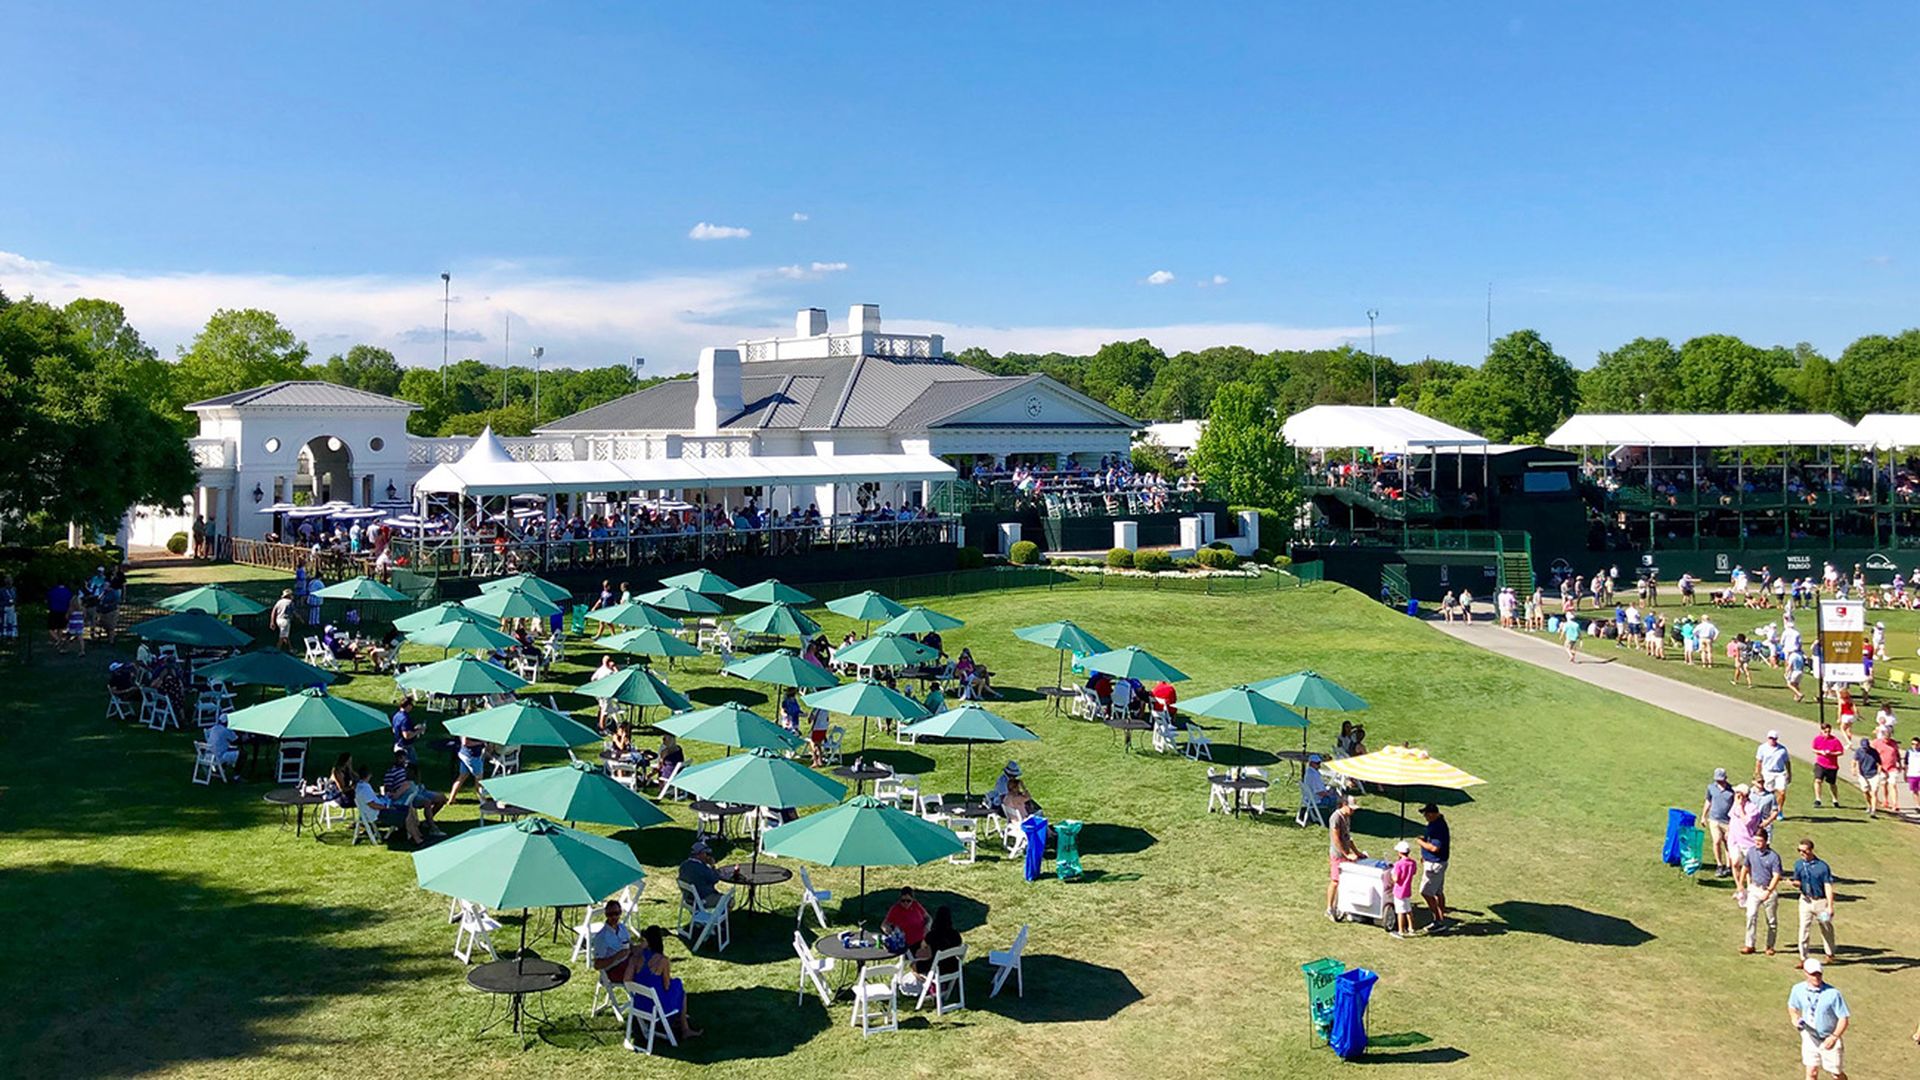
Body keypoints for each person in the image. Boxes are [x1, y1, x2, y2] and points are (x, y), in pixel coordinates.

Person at [633, 924, 701, 1039]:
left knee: (675, 988)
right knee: (680, 991)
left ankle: (678, 1019)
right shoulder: (662, 960)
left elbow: (628, 979)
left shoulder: (637, 958)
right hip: (656, 1006)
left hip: (639, 1003)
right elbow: (666, 985)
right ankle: (685, 1028)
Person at [1786, 958, 1849, 1080]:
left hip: (1829, 1038)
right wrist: (1794, 1017)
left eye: (1819, 974)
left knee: (1836, 1074)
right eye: (1813, 974)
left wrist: (1834, 1037)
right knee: (1811, 1072)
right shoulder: (1798, 989)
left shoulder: (1833, 994)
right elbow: (1792, 1006)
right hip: (1809, 1036)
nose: (1816, 977)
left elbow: (1844, 1019)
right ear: (1805, 973)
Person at [352, 765, 424, 847]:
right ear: (369, 775)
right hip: (379, 814)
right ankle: (417, 840)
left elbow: (370, 800)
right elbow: (372, 804)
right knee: (407, 814)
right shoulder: (365, 788)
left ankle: (417, 835)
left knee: (408, 810)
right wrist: (386, 807)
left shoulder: (359, 786)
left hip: (379, 811)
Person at [1791, 838, 1836, 966]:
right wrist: (1795, 883)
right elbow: (1798, 880)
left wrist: (1830, 906)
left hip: (1820, 902)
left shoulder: (1822, 867)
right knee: (1804, 928)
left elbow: (1828, 886)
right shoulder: (1798, 865)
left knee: (1825, 926)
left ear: (1811, 850)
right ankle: (1803, 958)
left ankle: (1830, 953)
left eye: (1804, 851)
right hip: (1805, 901)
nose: (1801, 853)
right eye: (1799, 850)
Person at [1742, 830, 1784, 956]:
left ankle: (1770, 946)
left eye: (1760, 841)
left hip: (1768, 890)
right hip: (1754, 888)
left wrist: (1769, 891)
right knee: (1751, 915)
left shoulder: (1774, 857)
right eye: (1755, 840)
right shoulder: (1751, 852)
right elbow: (1745, 867)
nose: (1757, 843)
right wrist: (1740, 884)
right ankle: (1749, 944)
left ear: (1766, 841)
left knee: (1771, 920)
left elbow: (1776, 876)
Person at [1325, 794, 1364, 922]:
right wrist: (1346, 854)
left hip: (1346, 854)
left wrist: (1356, 852)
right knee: (1335, 881)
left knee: (1346, 881)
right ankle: (1329, 908)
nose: (1353, 811)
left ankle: (1345, 907)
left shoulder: (1347, 817)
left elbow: (1348, 837)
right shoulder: (1335, 817)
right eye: (1351, 808)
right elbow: (1336, 838)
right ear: (1344, 805)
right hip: (1338, 855)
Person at [1417, 802, 1451, 928]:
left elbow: (1434, 848)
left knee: (1426, 892)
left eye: (1426, 814)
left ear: (1432, 814)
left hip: (1434, 865)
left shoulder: (1438, 828)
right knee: (1438, 891)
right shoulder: (1435, 823)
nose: (1425, 816)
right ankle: (1441, 915)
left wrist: (1420, 842)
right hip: (1436, 862)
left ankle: (1438, 920)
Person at [1702, 768, 1736, 877]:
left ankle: (1729, 866)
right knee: (1716, 841)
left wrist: (1733, 823)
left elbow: (1735, 807)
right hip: (1714, 819)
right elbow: (1708, 801)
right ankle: (1719, 865)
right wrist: (1703, 816)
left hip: (1727, 821)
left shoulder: (1732, 791)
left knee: (1727, 843)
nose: (1719, 782)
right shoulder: (1711, 788)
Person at [915, 904, 964, 977]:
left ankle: (921, 979)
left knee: (913, 965)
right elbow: (959, 946)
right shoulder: (955, 934)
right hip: (953, 966)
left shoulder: (932, 935)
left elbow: (922, 946)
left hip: (937, 967)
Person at [1755, 730, 1792, 820]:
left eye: (1774, 739)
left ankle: (1779, 810)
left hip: (1780, 772)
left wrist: (1789, 773)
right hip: (1767, 772)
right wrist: (1757, 773)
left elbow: (1787, 762)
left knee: (1782, 792)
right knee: (1769, 793)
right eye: (1770, 738)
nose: (1772, 740)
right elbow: (1759, 761)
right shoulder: (1762, 748)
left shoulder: (1782, 749)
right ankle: (1769, 810)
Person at [883, 886, 931, 952]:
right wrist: (888, 930)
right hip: (907, 944)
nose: (906, 903)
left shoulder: (916, 905)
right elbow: (884, 925)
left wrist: (927, 925)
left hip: (922, 941)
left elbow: (928, 917)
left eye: (908, 901)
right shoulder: (895, 909)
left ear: (912, 899)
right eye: (903, 901)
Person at [1809, 723, 1845, 810]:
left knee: (1832, 784)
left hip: (1832, 766)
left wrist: (1831, 753)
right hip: (1820, 763)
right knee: (1818, 780)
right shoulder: (1817, 739)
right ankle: (1818, 799)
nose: (1827, 733)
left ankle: (1835, 800)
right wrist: (1820, 752)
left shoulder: (1835, 740)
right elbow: (1813, 749)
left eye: (1829, 731)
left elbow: (1841, 752)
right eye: (1825, 731)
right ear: (1821, 731)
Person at [678, 841, 723, 906]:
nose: (707, 856)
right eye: (706, 854)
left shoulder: (683, 865)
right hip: (702, 900)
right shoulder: (702, 868)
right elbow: (715, 879)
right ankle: (721, 913)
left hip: (689, 899)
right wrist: (712, 866)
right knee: (730, 901)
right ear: (699, 854)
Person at [1390, 840, 1418, 939]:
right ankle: (1411, 928)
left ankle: (1401, 931)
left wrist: (1392, 875)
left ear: (1399, 852)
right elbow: (1414, 872)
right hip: (1407, 890)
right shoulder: (1412, 863)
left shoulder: (1398, 864)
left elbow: (1396, 879)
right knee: (1408, 910)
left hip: (1399, 891)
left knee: (1400, 911)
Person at [448, 736, 486, 803]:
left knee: (462, 777)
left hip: (465, 754)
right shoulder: (467, 732)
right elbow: (465, 743)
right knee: (479, 779)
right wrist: (480, 743)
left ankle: (451, 799)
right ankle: (482, 800)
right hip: (471, 756)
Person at [1851, 737, 1880, 819]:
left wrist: (1879, 771)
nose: (1865, 749)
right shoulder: (1858, 751)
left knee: (1874, 792)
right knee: (1865, 791)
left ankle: (1873, 811)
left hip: (1873, 774)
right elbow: (1854, 761)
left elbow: (1879, 763)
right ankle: (1869, 805)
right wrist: (1853, 769)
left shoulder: (1874, 752)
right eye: (1864, 747)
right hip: (1862, 774)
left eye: (1866, 747)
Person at [391, 700, 421, 765]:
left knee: (399, 764)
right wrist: (419, 731)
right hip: (406, 746)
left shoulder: (396, 715)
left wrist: (413, 729)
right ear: (408, 706)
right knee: (411, 764)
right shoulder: (405, 718)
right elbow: (407, 736)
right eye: (411, 705)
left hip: (397, 743)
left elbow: (394, 729)